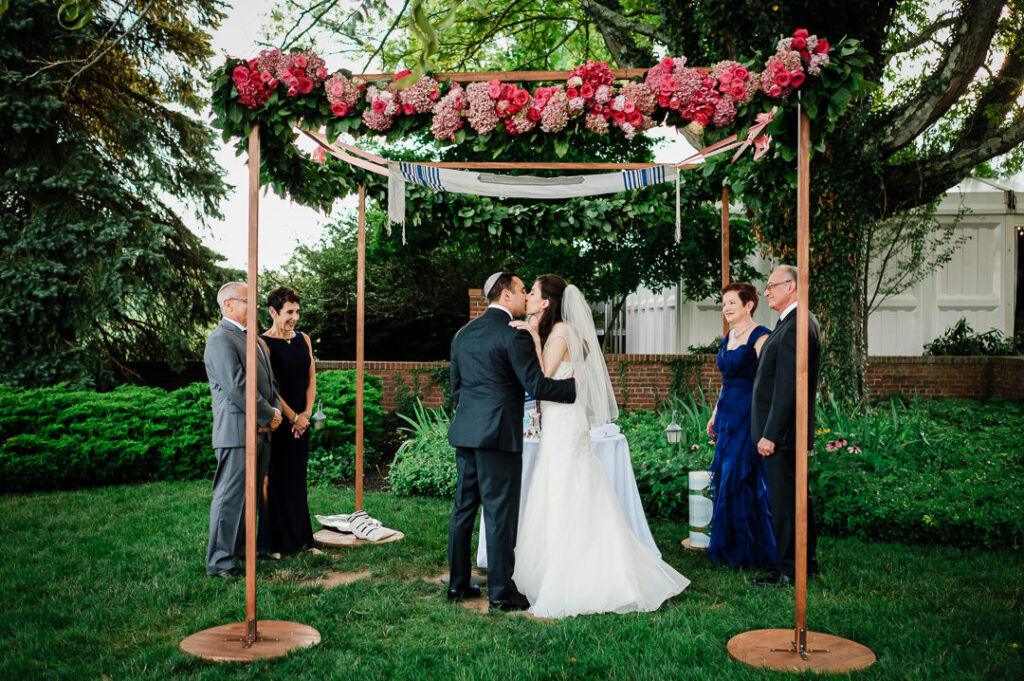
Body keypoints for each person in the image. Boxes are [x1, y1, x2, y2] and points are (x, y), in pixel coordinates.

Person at [511, 275, 689, 618]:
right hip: (561, 422)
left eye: (532, 293)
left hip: (564, 424)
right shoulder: (561, 331)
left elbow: (544, 377)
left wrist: (532, 334)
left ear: (546, 303)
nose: (529, 297)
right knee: (566, 488)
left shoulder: (561, 332)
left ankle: (576, 576)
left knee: (565, 491)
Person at [447, 272, 577, 612]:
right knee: (500, 514)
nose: (524, 296)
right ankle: (502, 593)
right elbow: (537, 387)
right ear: (506, 296)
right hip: (499, 436)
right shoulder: (512, 335)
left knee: (463, 510)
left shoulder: (463, 334)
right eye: (521, 290)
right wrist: (576, 389)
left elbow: (457, 389)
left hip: (467, 434)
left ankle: (458, 584)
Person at [204, 282, 282, 578]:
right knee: (230, 497)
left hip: (261, 430)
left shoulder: (251, 339)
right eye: (249, 301)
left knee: (249, 497)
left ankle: (243, 553)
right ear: (229, 305)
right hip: (237, 432)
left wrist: (273, 411)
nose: (256, 307)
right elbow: (238, 386)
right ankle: (220, 562)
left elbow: (268, 383)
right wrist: (267, 415)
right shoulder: (220, 339)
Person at [751, 265, 821, 587]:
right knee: (795, 500)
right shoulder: (793, 322)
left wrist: (770, 434)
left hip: (784, 436)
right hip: (788, 434)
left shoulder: (797, 324)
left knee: (786, 504)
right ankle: (804, 565)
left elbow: (788, 386)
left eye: (771, 286)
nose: (766, 292)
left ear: (790, 286)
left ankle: (791, 571)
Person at [705, 282, 778, 569]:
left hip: (750, 415)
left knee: (742, 476)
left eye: (732, 303)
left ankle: (753, 550)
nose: (726, 308)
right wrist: (714, 414)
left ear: (749, 305)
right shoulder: (729, 337)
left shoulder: (761, 337)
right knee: (725, 477)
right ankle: (728, 546)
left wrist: (768, 423)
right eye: (724, 304)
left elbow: (769, 382)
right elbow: (726, 382)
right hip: (728, 415)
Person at [256, 286, 317, 557]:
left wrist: (306, 415)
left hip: (301, 422)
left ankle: (304, 540)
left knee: (297, 480)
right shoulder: (263, 343)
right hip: (279, 423)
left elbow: (311, 378)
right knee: (275, 480)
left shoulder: (304, 339)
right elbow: (269, 388)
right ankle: (273, 544)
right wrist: (293, 417)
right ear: (273, 312)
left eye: (297, 312)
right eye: (289, 312)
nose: (295, 317)